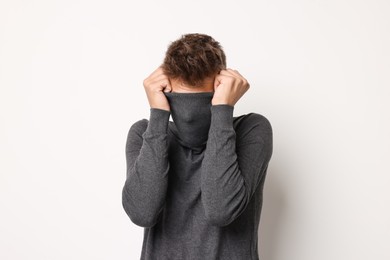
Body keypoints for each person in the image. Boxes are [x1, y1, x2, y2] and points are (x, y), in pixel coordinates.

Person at [122, 33, 273, 260]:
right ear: (165, 91)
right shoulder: (145, 133)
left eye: (207, 100)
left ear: (223, 88)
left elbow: (220, 210)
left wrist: (222, 109)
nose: (191, 116)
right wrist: (158, 115)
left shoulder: (252, 130)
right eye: (181, 102)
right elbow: (142, 213)